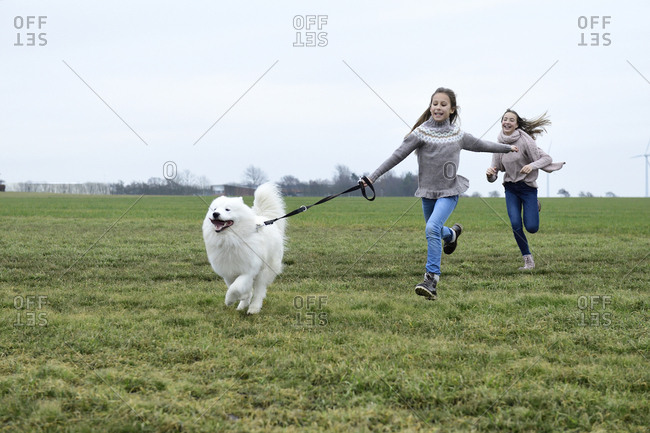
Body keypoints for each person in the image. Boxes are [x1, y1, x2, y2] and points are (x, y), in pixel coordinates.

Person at [365, 87, 518, 300]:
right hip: (428, 192)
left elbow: (482, 145)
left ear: (452, 110)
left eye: (443, 104)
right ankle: (452, 235)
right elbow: (397, 156)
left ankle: (431, 280)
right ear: (430, 107)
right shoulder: (420, 133)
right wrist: (371, 177)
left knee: (431, 228)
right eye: (435, 103)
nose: (438, 107)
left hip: (449, 191)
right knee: (435, 231)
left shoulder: (458, 135)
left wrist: (507, 148)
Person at [486, 109, 564, 270]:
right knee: (515, 224)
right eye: (505, 119)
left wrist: (531, 165)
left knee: (532, 228)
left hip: (528, 189)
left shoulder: (526, 142)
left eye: (511, 120)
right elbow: (494, 174)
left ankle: (534, 204)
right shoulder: (499, 145)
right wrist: (489, 174)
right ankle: (528, 259)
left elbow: (547, 159)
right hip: (511, 188)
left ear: (517, 124)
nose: (507, 122)